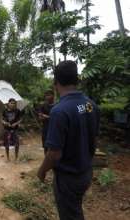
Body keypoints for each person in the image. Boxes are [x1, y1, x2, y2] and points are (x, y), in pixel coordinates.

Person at [37, 61, 99, 220]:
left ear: (56, 82)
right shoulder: (90, 105)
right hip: (85, 171)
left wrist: (42, 170)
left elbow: (55, 153)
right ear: (77, 79)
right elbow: (93, 136)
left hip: (68, 178)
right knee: (75, 210)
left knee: (70, 215)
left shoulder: (59, 111)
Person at [38, 90, 55, 154]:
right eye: (46, 96)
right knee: (46, 146)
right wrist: (41, 117)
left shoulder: (57, 105)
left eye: (48, 95)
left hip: (54, 129)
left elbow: (56, 118)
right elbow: (40, 117)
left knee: (54, 146)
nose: (47, 97)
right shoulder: (43, 106)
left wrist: (46, 116)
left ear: (53, 96)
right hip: (45, 128)